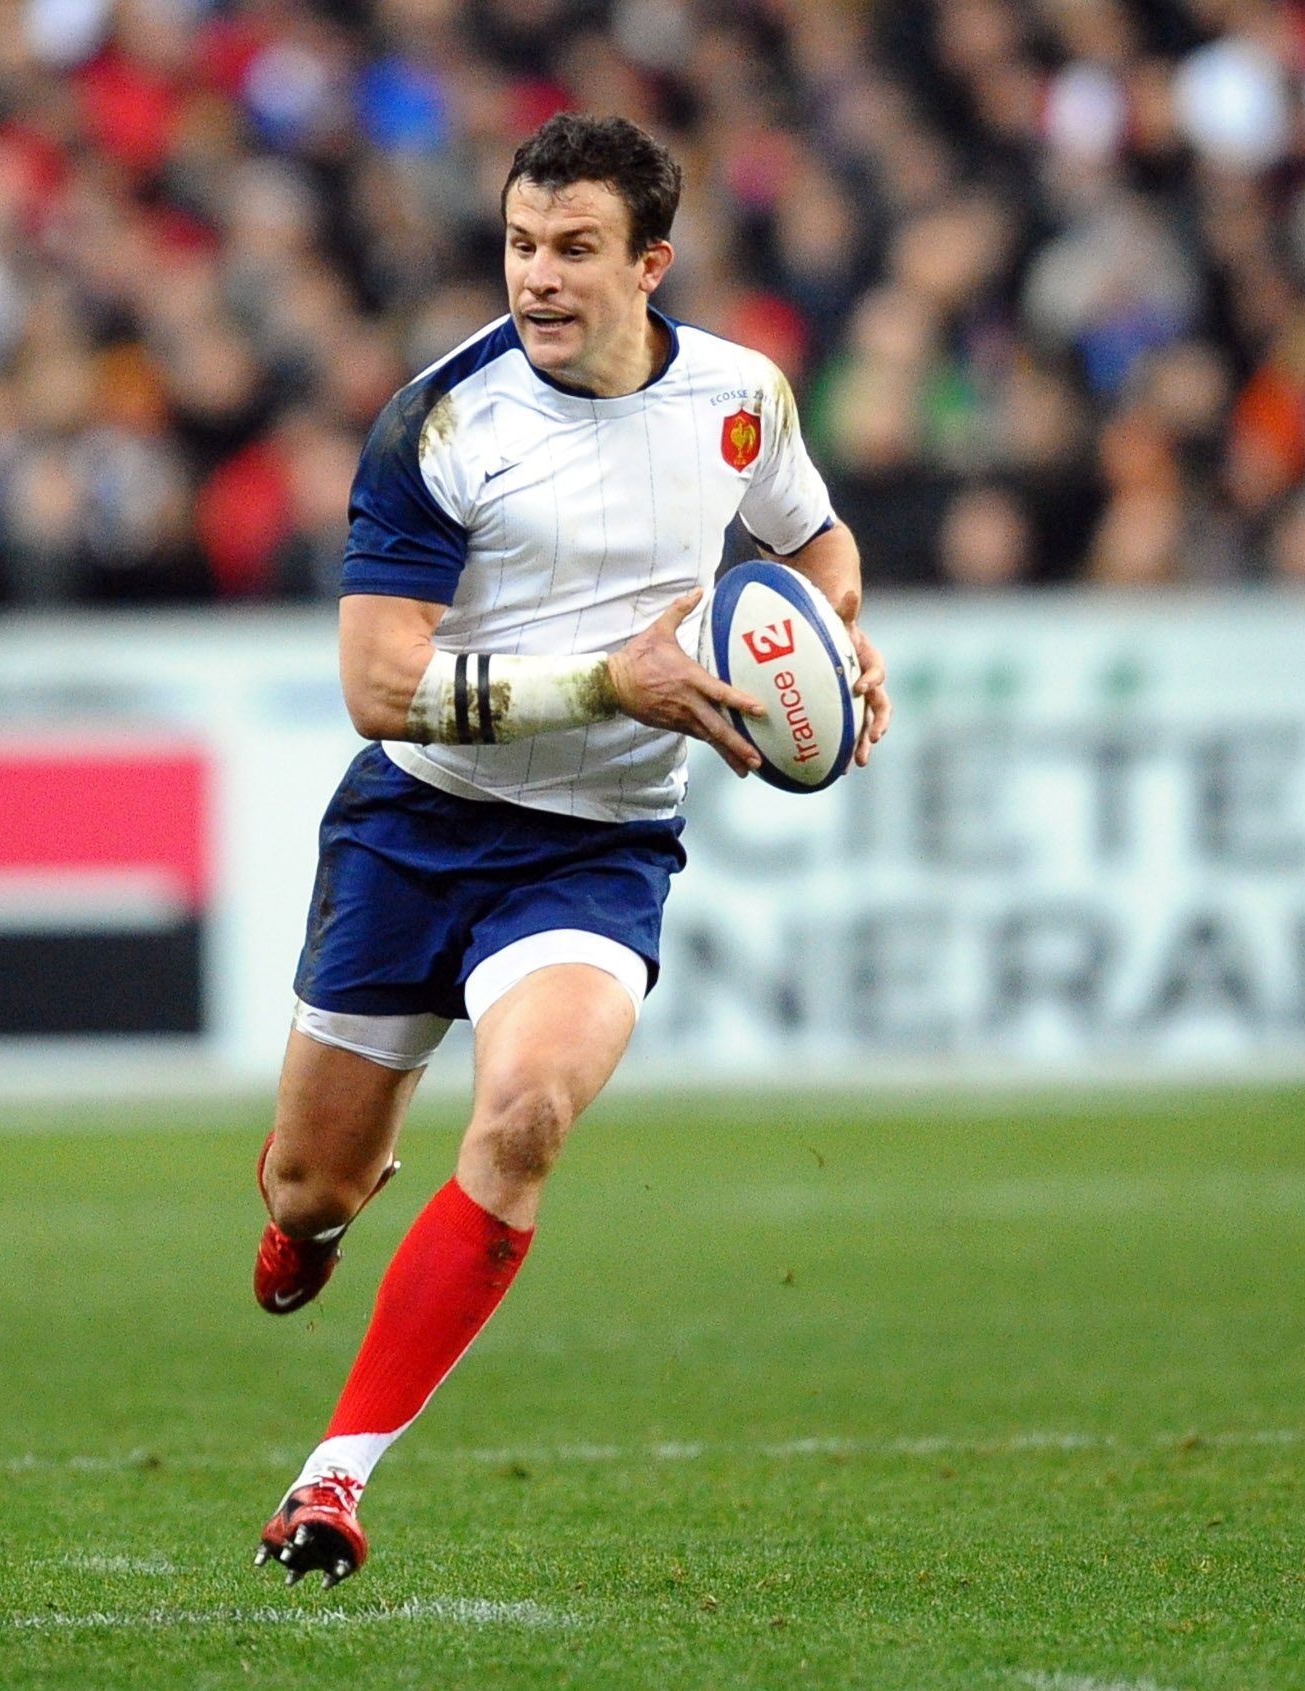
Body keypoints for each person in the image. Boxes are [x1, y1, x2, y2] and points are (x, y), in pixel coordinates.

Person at [248, 114, 889, 1587]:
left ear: (650, 262)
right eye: (522, 245)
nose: (538, 277)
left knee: (527, 1115)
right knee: (312, 1185)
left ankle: (333, 1481)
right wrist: (614, 680)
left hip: (596, 844)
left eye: (576, 250)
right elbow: (377, 682)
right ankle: (313, 1220)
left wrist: (841, 644)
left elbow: (815, 548)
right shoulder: (441, 422)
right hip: (415, 824)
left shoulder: (742, 397)